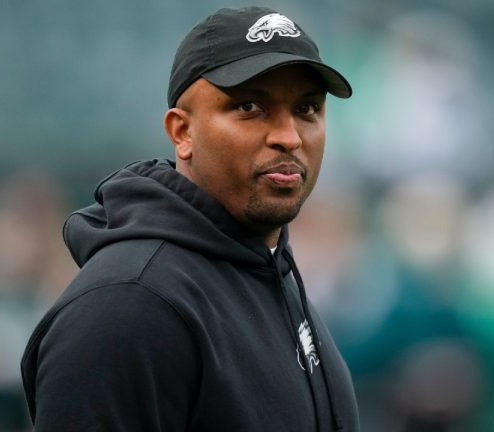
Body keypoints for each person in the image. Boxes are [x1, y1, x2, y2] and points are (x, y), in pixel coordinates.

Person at [20, 6, 358, 431]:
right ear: (182, 132)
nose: (288, 136)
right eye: (250, 106)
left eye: (307, 108)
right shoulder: (129, 307)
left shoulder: (270, 271)